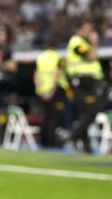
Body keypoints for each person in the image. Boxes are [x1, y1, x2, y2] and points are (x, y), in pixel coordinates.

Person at [66, 21, 104, 153]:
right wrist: (95, 42)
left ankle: (86, 147)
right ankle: (73, 136)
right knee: (91, 112)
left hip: (87, 81)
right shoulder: (77, 42)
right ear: (79, 29)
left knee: (84, 114)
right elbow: (91, 57)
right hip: (82, 82)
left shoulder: (84, 43)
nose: (89, 32)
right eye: (87, 29)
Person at [34, 37, 69, 148]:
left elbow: (37, 74)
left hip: (42, 90)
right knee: (53, 117)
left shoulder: (40, 57)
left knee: (44, 116)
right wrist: (52, 90)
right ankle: (51, 141)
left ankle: (43, 141)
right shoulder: (59, 57)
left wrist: (40, 89)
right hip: (54, 90)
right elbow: (57, 74)